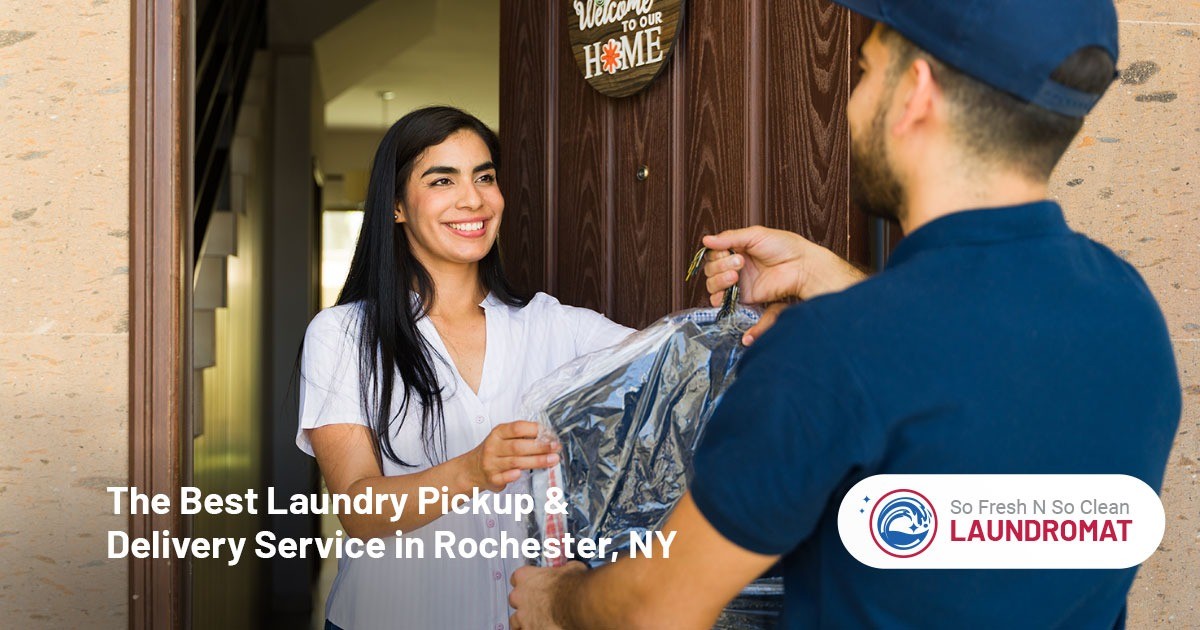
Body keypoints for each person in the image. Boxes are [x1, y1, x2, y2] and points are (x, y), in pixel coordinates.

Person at [507, 0, 1182, 627]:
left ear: (914, 93)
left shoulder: (827, 353)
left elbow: (656, 608)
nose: (855, 100)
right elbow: (972, 353)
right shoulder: (1129, 310)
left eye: (864, 72)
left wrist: (555, 601)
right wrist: (840, 283)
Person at [296, 106, 632, 629]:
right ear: (397, 207)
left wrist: (728, 308)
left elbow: (678, 368)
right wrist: (474, 469)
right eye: (442, 179)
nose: (472, 198)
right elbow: (359, 511)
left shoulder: (555, 326)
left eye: (485, 177)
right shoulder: (342, 335)